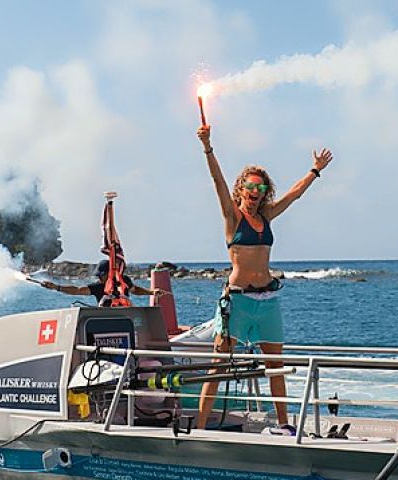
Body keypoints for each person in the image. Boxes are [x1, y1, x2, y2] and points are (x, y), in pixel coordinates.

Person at [195, 123, 333, 433]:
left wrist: (315, 171)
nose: (255, 194)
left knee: (276, 367)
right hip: (238, 301)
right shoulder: (233, 217)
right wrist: (207, 146)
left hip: (268, 301)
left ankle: (284, 426)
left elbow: (294, 195)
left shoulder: (266, 216)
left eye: (260, 189)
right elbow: (216, 180)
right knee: (218, 367)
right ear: (240, 188)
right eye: (250, 188)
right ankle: (201, 428)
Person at [41, 259, 165, 304]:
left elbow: (135, 289)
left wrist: (152, 292)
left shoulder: (124, 280)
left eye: (101, 275)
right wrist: (56, 287)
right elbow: (77, 290)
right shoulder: (98, 287)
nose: (99, 278)